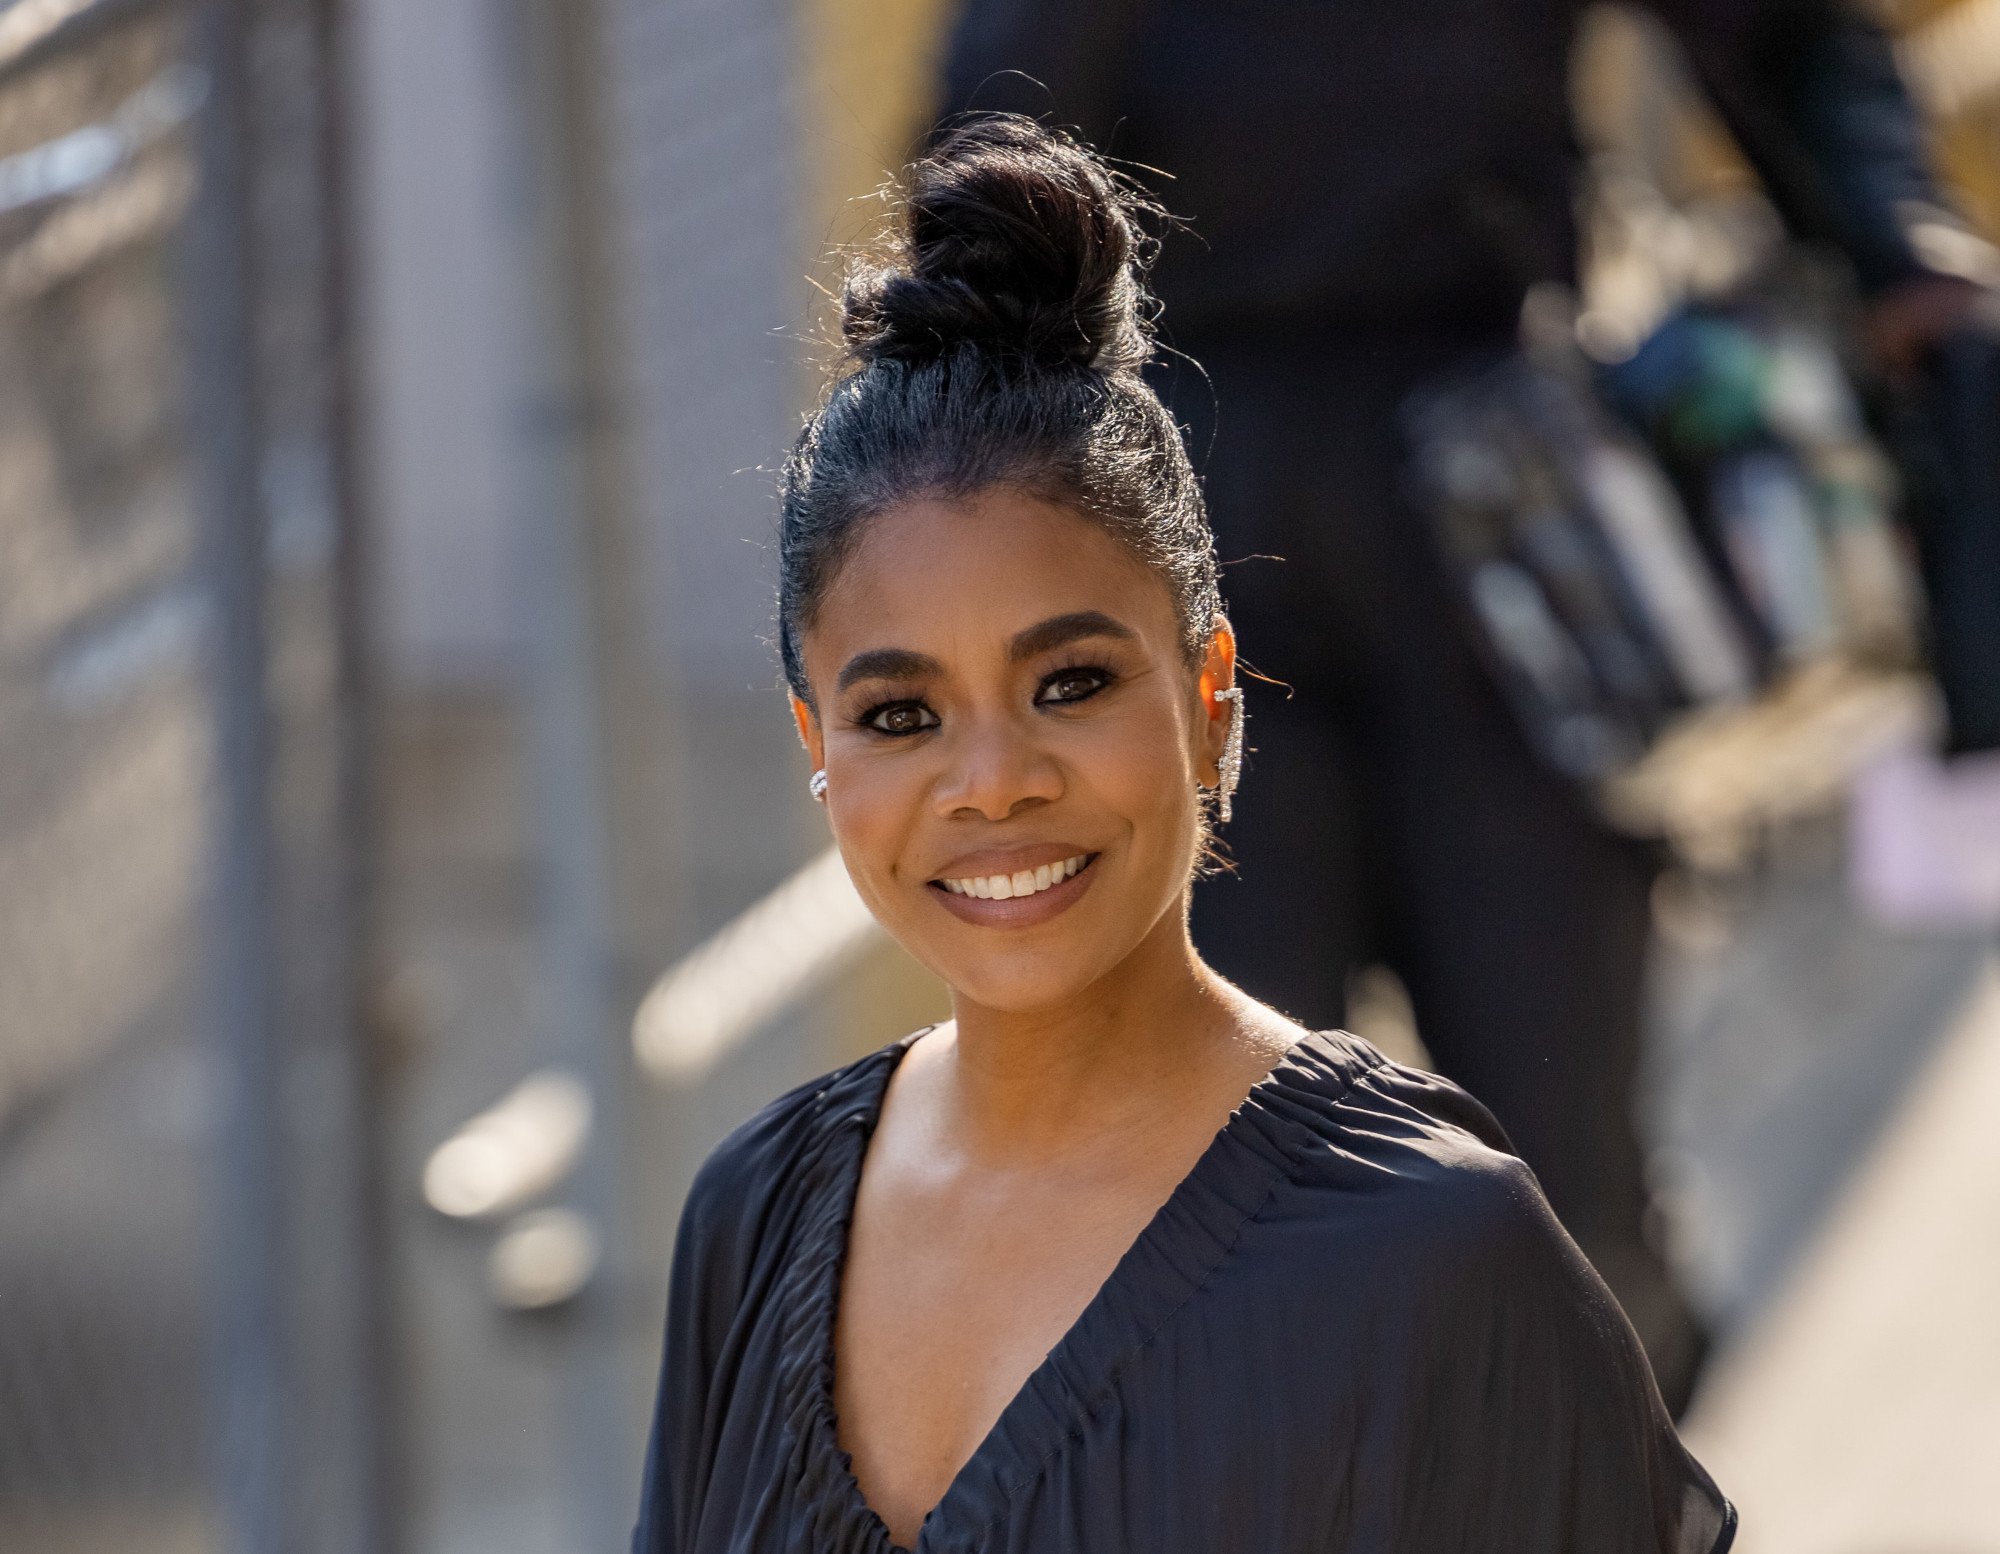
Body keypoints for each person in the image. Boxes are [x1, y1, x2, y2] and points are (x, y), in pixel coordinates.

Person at [632, 119, 1733, 1554]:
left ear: (1213, 703)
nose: (994, 780)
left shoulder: (1437, 1263)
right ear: (817, 755)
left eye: (1070, 682)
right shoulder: (755, 1222)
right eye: (902, 714)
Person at [939, 0, 1983, 1408]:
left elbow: (1789, 36)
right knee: (1206, 1185)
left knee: (1564, 1178)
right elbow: (977, 163)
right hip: (1174, 493)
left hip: (1503, 488)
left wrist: (1896, 245)